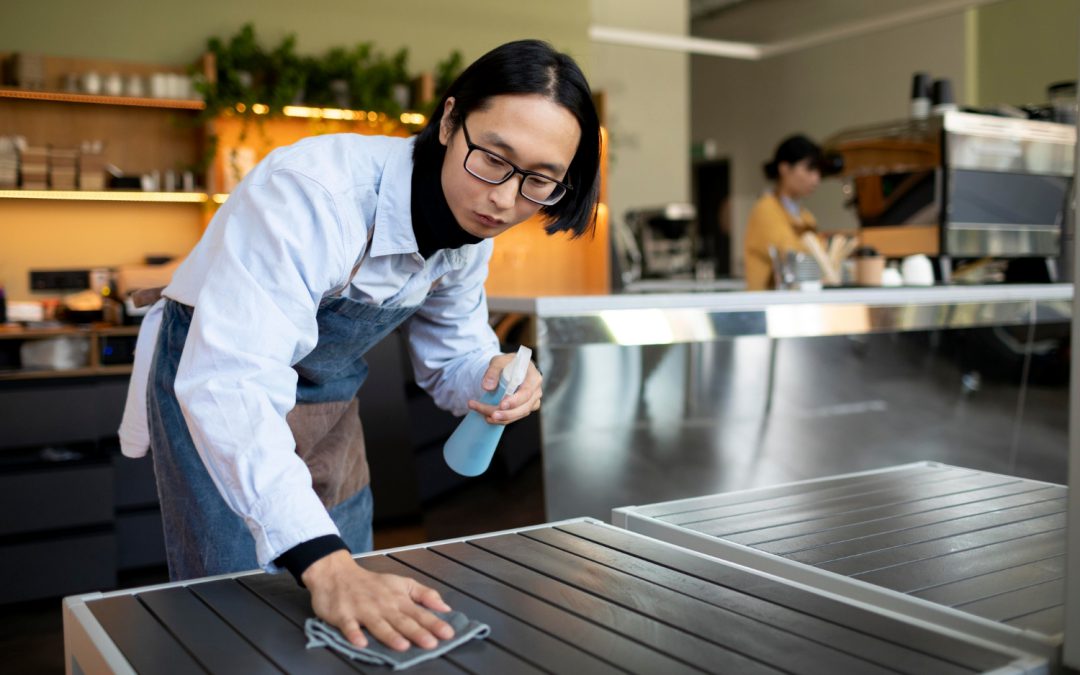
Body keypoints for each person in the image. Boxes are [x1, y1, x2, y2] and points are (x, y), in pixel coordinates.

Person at [117, 39, 601, 652]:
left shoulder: (470, 233)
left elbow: (452, 361)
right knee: (235, 618)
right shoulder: (315, 195)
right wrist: (324, 563)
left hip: (330, 404)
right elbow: (229, 381)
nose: (505, 199)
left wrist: (492, 373)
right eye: (494, 160)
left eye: (539, 181)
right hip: (219, 394)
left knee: (343, 621)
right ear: (450, 121)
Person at [743, 134, 823, 290]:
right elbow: (791, 253)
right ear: (784, 169)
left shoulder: (806, 216)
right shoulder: (765, 209)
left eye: (818, 171)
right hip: (766, 304)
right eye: (809, 169)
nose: (816, 179)